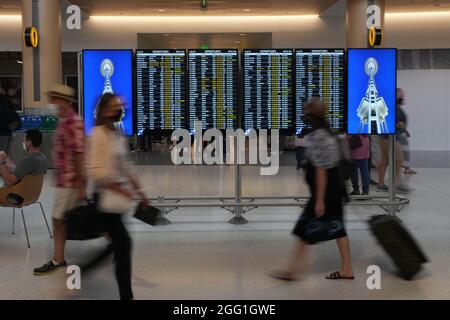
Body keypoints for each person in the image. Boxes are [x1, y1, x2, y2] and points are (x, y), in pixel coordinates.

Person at [269, 98, 354, 281]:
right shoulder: (328, 132)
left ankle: (290, 271)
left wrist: (319, 200)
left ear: (312, 114)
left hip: (325, 192)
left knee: (304, 229)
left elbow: (321, 170)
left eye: (306, 111)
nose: (304, 115)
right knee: (338, 229)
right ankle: (347, 268)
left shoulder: (318, 136)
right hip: (334, 190)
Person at [86, 93, 148, 300]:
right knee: (124, 244)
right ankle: (126, 296)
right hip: (104, 197)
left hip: (117, 199)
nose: (119, 110)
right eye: (114, 107)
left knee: (117, 244)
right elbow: (94, 170)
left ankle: (84, 269)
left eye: (120, 106)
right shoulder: (97, 135)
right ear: (103, 111)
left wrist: (139, 191)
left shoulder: (117, 134)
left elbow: (126, 166)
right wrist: (119, 188)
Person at [34, 85, 86, 275]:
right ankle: (59, 258)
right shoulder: (64, 121)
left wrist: (82, 185)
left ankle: (58, 259)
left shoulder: (73, 122)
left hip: (71, 181)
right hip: (64, 179)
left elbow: (80, 154)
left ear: (65, 101)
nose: (52, 103)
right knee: (62, 220)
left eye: (56, 99)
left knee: (60, 219)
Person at [0, 129, 48, 203]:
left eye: (24, 141)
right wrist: (6, 159)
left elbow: (9, 181)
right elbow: (21, 171)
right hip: (32, 195)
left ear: (29, 143)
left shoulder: (29, 160)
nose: (23, 143)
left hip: (16, 196)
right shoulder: (43, 158)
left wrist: (1, 162)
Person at [396, 88, 417, 175]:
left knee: (405, 152)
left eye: (402, 95)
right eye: (400, 95)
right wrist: (399, 126)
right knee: (402, 153)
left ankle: (406, 168)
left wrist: (404, 130)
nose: (402, 97)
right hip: (398, 135)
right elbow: (395, 122)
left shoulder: (398, 107)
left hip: (401, 133)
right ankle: (404, 170)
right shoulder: (394, 108)